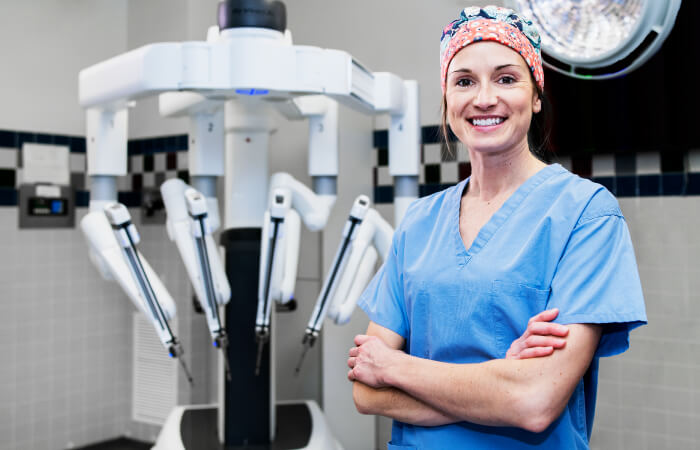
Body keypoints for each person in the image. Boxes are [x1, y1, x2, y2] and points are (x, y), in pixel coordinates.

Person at [347, 5, 647, 449]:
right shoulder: (420, 222)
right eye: (464, 81)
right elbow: (365, 392)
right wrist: (496, 383)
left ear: (537, 95)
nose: (484, 98)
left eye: (506, 78)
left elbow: (534, 401)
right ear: (447, 99)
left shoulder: (585, 214)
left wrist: (393, 367)